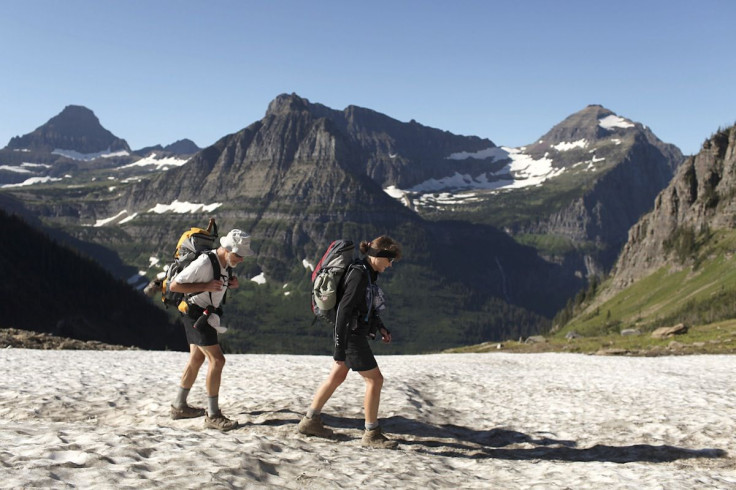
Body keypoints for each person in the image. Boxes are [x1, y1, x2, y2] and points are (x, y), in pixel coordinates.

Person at [298, 236, 402, 449]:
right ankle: (372, 433)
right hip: (351, 336)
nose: (390, 265)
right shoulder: (359, 275)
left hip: (351, 334)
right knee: (375, 380)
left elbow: (364, 307)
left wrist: (379, 326)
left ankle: (310, 421)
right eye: (389, 260)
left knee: (336, 376)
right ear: (378, 256)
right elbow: (344, 312)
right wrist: (339, 346)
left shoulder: (367, 272)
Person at [169, 228, 254, 432]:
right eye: (238, 255)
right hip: (196, 314)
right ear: (227, 249)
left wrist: (230, 284)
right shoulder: (206, 262)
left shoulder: (225, 263)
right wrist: (206, 285)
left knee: (197, 359)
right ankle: (213, 415)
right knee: (218, 360)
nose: (241, 259)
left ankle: (179, 406)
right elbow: (174, 286)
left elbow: (218, 283)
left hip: (202, 313)